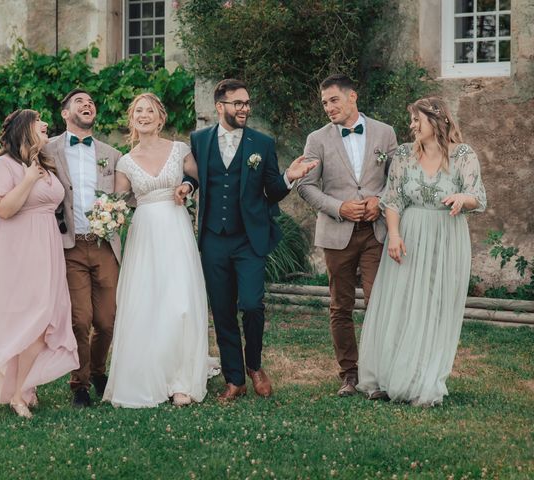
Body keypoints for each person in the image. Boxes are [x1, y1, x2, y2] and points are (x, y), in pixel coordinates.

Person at [177, 79, 318, 401]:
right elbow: (194, 175)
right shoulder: (199, 140)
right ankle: (235, 378)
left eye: (247, 103)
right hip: (213, 238)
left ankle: (254, 364)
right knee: (223, 311)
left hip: (249, 238)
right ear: (220, 106)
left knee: (252, 304)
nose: (245, 108)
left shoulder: (262, 143)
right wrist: (187, 186)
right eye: (238, 103)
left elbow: (272, 189)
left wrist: (288, 178)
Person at [356, 97, 486, 406]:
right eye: (412, 120)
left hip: (446, 236)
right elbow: (393, 199)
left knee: (436, 305)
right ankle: (392, 376)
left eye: (417, 120)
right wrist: (396, 235)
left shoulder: (464, 155)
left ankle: (424, 379)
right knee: (402, 303)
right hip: (409, 236)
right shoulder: (403, 154)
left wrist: (461, 199)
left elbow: (477, 195)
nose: (412, 126)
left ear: (437, 120)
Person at [0, 109, 79, 418]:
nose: (47, 126)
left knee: (43, 321)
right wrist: (27, 180)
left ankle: (23, 386)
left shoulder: (43, 163)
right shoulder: (3, 166)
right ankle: (18, 393)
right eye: (40, 123)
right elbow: (5, 210)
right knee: (27, 322)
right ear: (25, 129)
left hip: (47, 250)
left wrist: (34, 172)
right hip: (18, 252)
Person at [103, 93, 213, 408]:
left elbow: (197, 177)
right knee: (147, 302)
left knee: (179, 301)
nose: (144, 115)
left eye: (150, 110)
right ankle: (147, 374)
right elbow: (120, 201)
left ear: (160, 118)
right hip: (144, 233)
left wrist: (187, 187)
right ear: (132, 118)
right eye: (138, 110)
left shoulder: (180, 150)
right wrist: (109, 214)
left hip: (176, 228)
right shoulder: (125, 161)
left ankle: (181, 381)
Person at [297, 74, 398, 397]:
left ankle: (377, 374)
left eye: (334, 100)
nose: (328, 107)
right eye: (324, 102)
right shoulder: (317, 139)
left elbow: (397, 179)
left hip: (376, 232)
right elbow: (306, 186)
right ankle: (350, 374)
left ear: (352, 96)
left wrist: (379, 202)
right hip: (336, 234)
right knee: (340, 306)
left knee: (377, 302)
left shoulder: (385, 132)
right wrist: (339, 208)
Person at [43, 89, 124, 408]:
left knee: (107, 319)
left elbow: (124, 195)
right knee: (80, 319)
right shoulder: (47, 150)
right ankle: (80, 382)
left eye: (91, 101)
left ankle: (100, 371)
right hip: (70, 246)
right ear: (65, 113)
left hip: (105, 246)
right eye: (80, 102)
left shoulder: (112, 154)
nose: (88, 104)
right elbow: (18, 162)